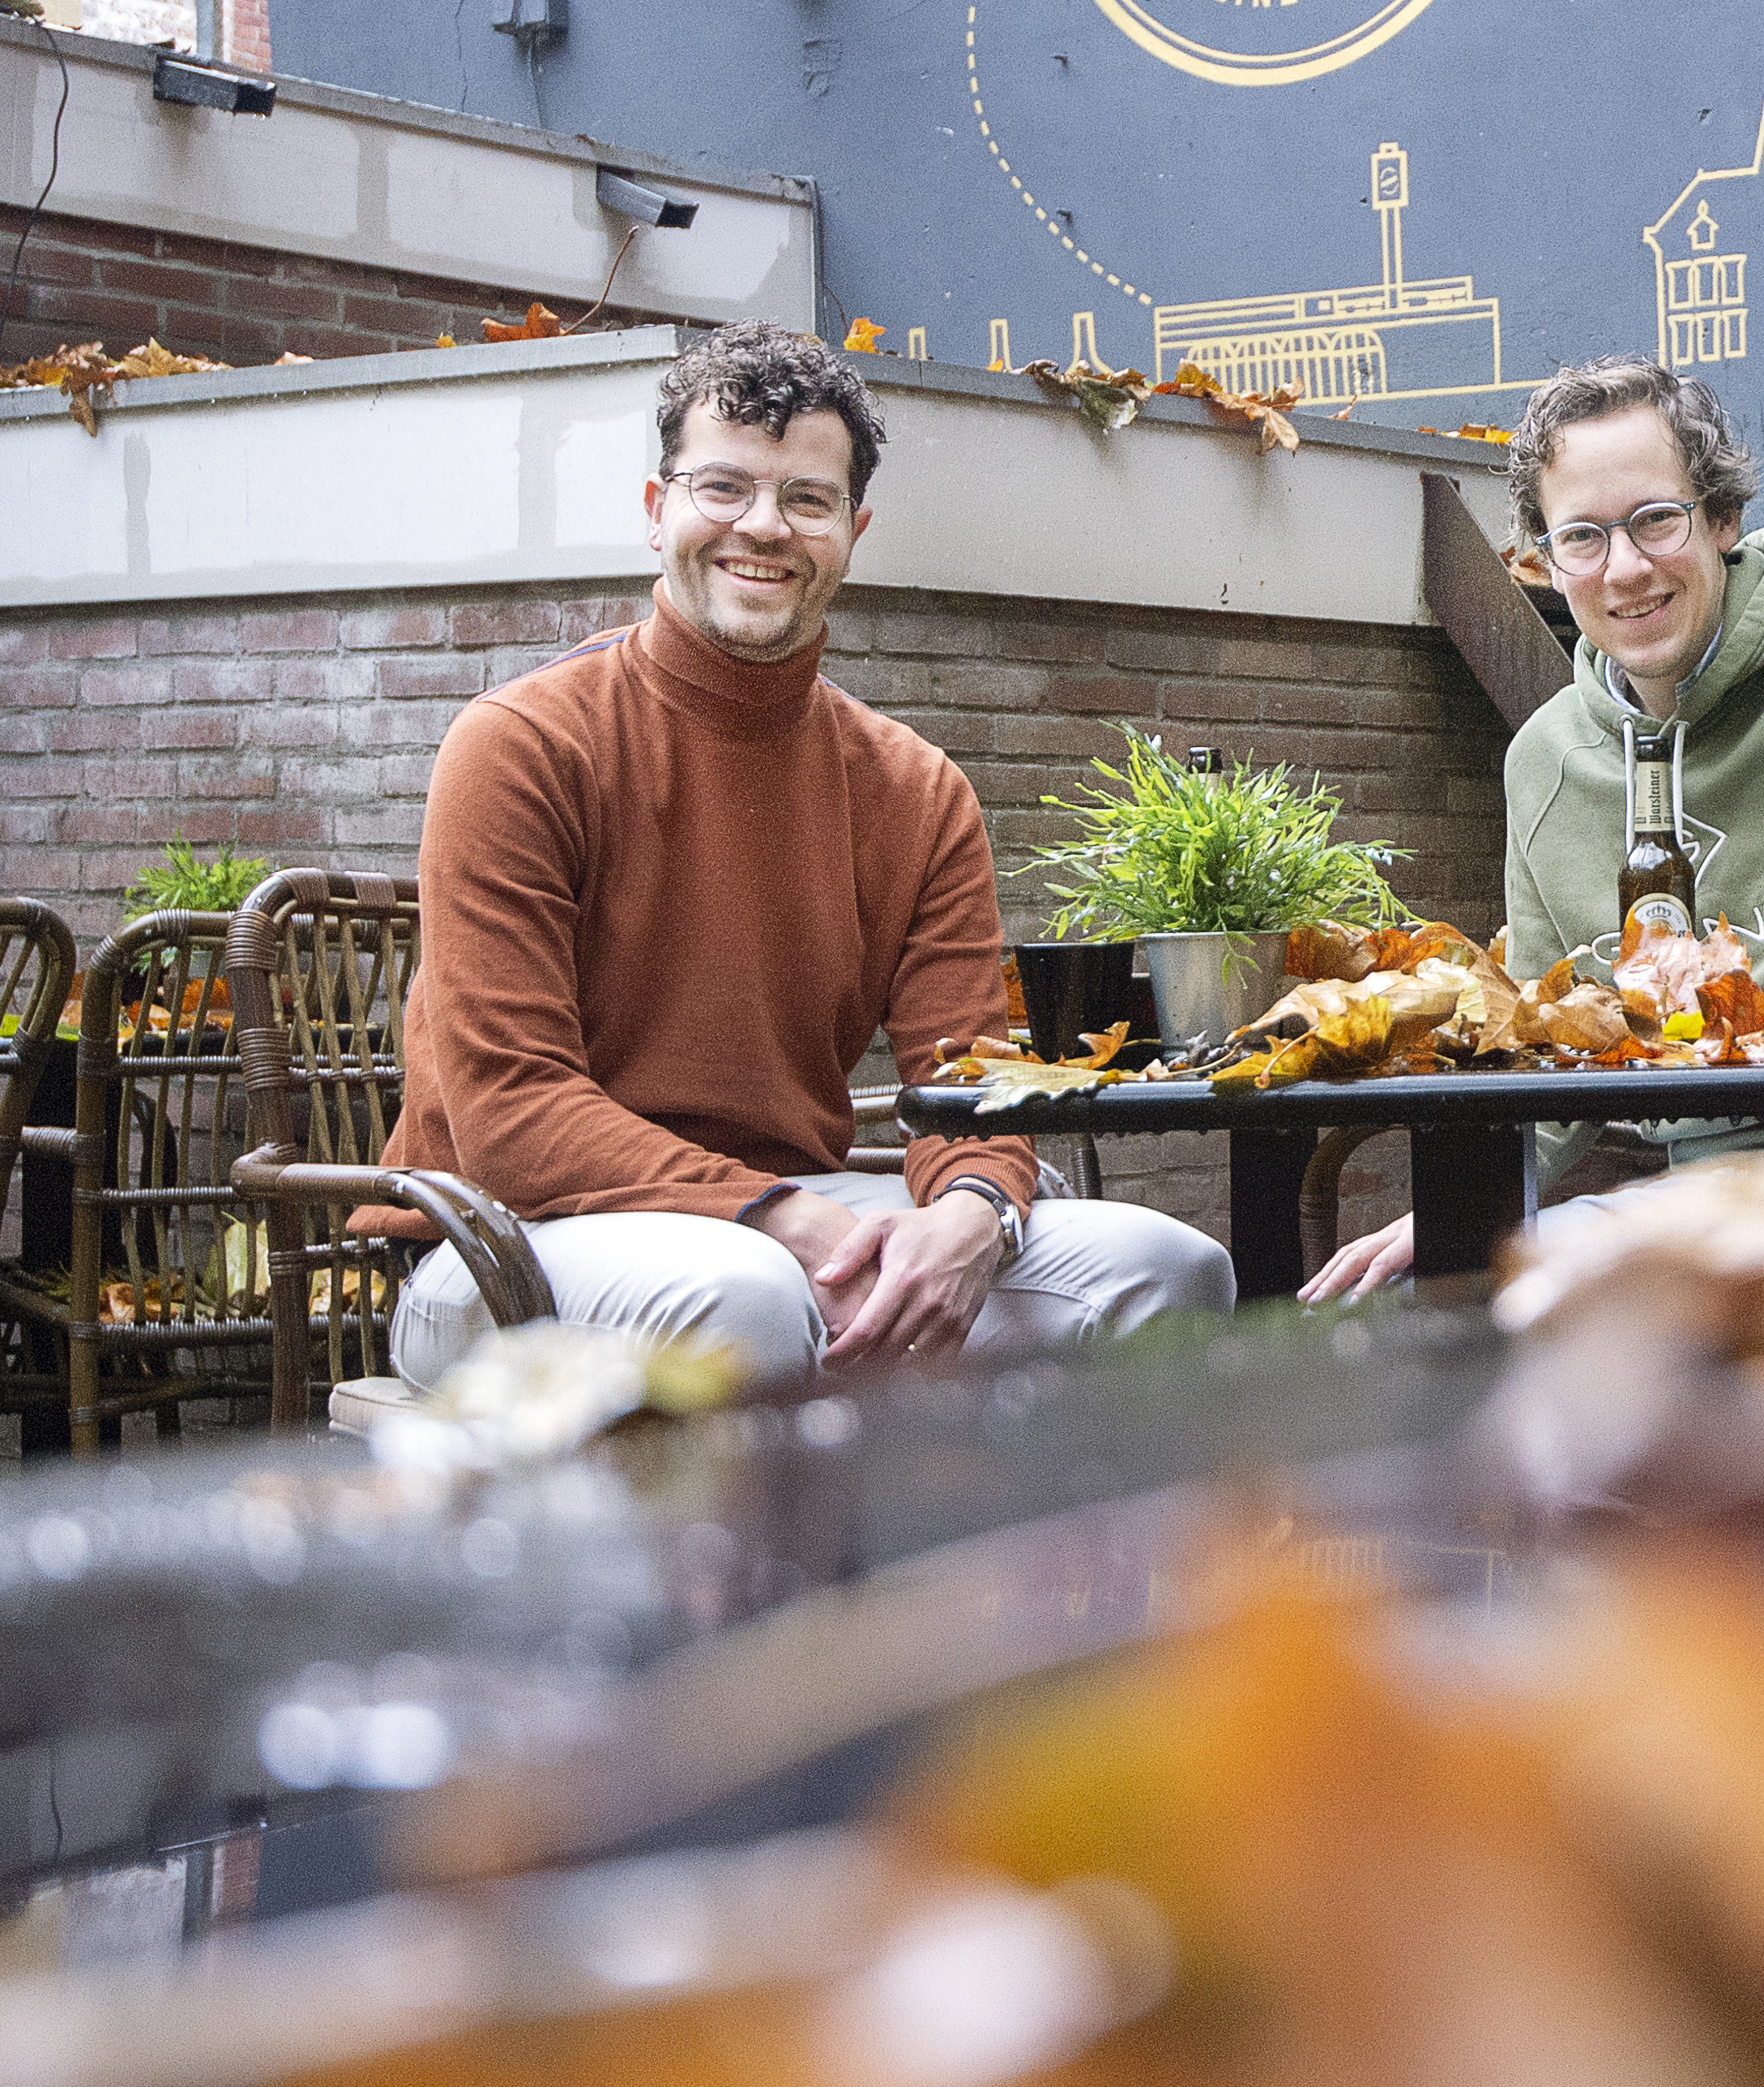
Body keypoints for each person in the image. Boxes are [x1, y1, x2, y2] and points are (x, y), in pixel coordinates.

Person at [384, 326, 1232, 1389]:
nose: (763, 526)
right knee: (747, 1297)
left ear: (852, 529)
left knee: (1163, 1270)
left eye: (806, 499)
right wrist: (783, 1215)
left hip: (790, 1218)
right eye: (723, 486)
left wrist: (974, 1214)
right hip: (498, 1249)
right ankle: (792, 1559)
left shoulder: (915, 792)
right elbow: (512, 1112)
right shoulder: (523, 745)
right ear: (658, 512)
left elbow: (968, 1085)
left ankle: (1014, 1559)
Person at [1304, 356, 1764, 1298]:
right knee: (1440, 1301)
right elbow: (1543, 1044)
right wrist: (1457, 1208)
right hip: (1694, 1203)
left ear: (1722, 516)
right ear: (1544, 557)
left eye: (1655, 520)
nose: (1624, 568)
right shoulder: (1542, 759)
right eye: (1582, 537)